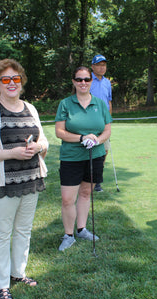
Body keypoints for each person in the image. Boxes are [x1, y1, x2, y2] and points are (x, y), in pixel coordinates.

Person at [0, 59, 49, 299]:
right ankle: (2, 285)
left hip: (30, 180)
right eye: (6, 79)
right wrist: (11, 154)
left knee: (24, 230)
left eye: (16, 79)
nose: (12, 83)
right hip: (2, 184)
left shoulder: (31, 109)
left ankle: (19, 273)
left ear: (22, 82)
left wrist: (37, 146)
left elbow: (44, 142)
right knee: (3, 235)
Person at [55, 66, 113, 251]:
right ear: (73, 82)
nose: (83, 83)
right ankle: (68, 235)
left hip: (94, 156)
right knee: (67, 198)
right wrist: (81, 138)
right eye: (79, 79)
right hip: (71, 157)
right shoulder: (65, 104)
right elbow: (59, 132)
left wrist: (97, 140)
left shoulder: (100, 104)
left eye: (86, 79)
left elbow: (107, 130)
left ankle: (81, 229)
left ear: (91, 81)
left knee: (86, 193)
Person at [90, 54, 113, 192]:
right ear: (93, 67)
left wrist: (109, 120)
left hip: (104, 122)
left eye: (103, 65)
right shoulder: (87, 80)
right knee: (90, 149)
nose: (102, 67)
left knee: (104, 150)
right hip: (90, 121)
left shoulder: (107, 82)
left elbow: (109, 101)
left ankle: (97, 180)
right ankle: (88, 179)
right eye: (99, 65)